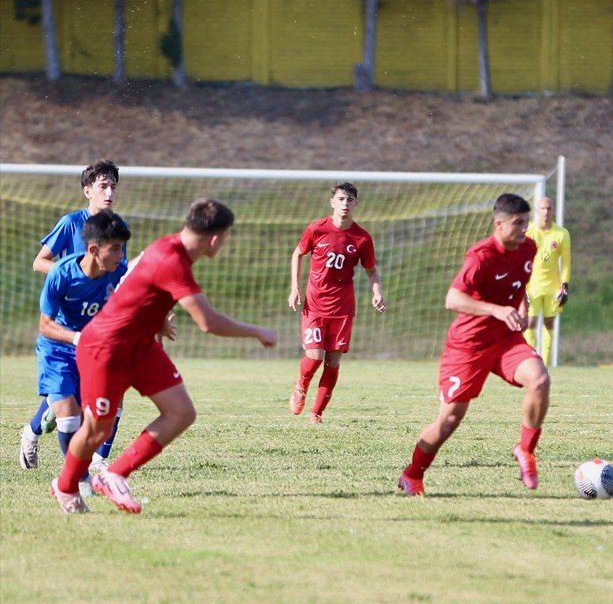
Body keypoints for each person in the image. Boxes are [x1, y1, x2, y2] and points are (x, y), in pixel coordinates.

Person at [49, 199, 277, 514]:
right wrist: (259, 332)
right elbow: (208, 322)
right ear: (215, 238)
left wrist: (158, 320)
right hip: (106, 349)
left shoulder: (171, 248)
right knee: (96, 430)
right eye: (226, 237)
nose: (225, 243)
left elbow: (139, 292)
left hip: (141, 347)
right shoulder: (172, 260)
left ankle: (114, 475)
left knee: (181, 412)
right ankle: (65, 486)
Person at [397, 193, 550, 496]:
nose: (524, 229)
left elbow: (519, 285)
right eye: (518, 223)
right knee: (449, 420)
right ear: (499, 224)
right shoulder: (480, 256)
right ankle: (412, 475)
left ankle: (525, 450)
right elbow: (452, 299)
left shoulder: (529, 248)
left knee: (540, 379)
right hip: (468, 346)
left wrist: (520, 311)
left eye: (526, 222)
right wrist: (497, 310)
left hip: (505, 340)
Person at [21, 159, 126, 470]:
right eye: (103, 187)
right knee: (66, 399)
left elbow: (120, 277)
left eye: (113, 188)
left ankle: (98, 461)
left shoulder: (117, 229)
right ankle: (32, 431)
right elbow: (40, 261)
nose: (109, 194)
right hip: (68, 326)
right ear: (87, 191)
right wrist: (72, 278)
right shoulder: (71, 224)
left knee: (113, 391)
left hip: (100, 324)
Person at [287, 182, 386, 423]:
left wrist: (377, 291)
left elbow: (371, 271)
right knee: (314, 358)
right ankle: (301, 386)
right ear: (332, 202)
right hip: (315, 304)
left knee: (332, 361)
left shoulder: (362, 238)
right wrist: (295, 288)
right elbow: (298, 254)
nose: (345, 204)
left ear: (356, 204)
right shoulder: (316, 229)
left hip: (342, 308)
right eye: (341, 199)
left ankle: (316, 413)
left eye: (349, 200)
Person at [523, 195, 571, 363]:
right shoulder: (528, 231)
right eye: (542, 208)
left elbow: (565, 262)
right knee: (530, 324)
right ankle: (531, 362)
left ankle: (544, 364)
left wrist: (565, 285)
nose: (546, 212)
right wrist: (522, 283)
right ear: (537, 211)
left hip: (553, 286)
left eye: (549, 208)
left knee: (549, 324)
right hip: (532, 285)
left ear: (553, 211)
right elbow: (521, 258)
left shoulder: (562, 234)